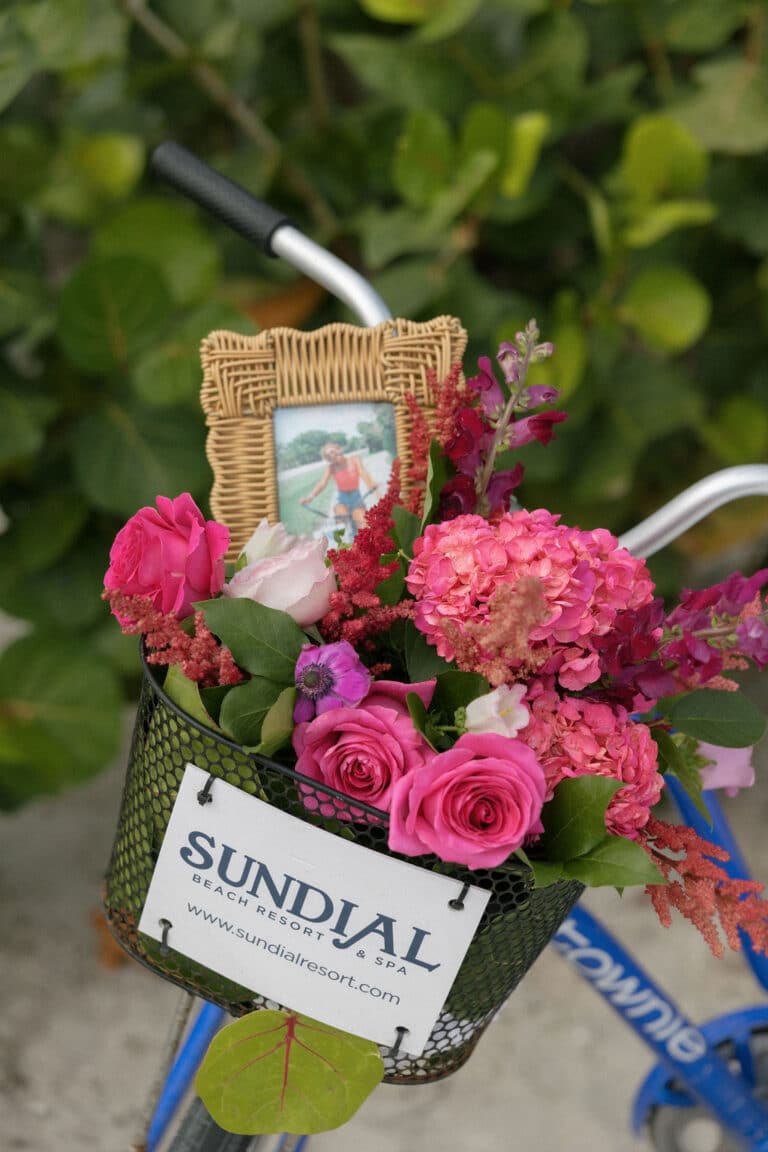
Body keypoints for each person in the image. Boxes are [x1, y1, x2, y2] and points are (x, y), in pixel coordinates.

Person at [299, 441, 379, 532]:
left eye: (332, 451)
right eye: (329, 456)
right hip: (342, 500)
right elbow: (322, 483)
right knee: (342, 520)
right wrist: (309, 498)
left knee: (364, 527)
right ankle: (345, 532)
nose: (332, 455)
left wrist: (371, 484)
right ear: (329, 460)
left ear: (339, 449)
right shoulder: (331, 467)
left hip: (357, 498)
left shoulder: (355, 459)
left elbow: (363, 473)